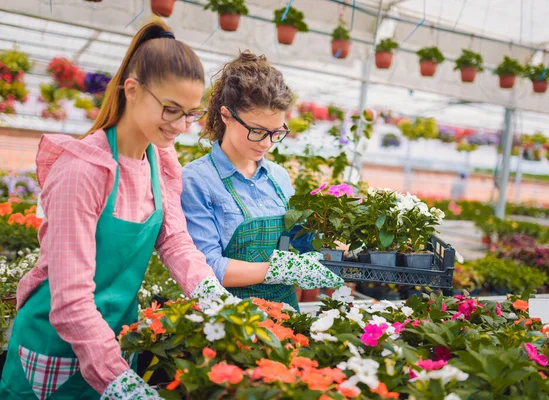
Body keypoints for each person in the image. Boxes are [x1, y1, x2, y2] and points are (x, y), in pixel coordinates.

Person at [0, 19, 232, 400]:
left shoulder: (160, 161)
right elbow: (71, 300)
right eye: (171, 109)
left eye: (190, 113)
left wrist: (215, 299)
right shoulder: (83, 171)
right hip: (54, 350)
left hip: (116, 342)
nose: (181, 126)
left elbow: (174, 240)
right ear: (133, 90)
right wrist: (119, 382)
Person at [181, 51, 343, 312]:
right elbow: (207, 267)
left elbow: (298, 240)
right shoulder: (198, 180)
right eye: (256, 131)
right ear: (226, 115)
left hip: (286, 312)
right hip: (230, 319)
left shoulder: (277, 176)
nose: (267, 143)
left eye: (276, 132)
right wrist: (279, 269)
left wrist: (335, 240)